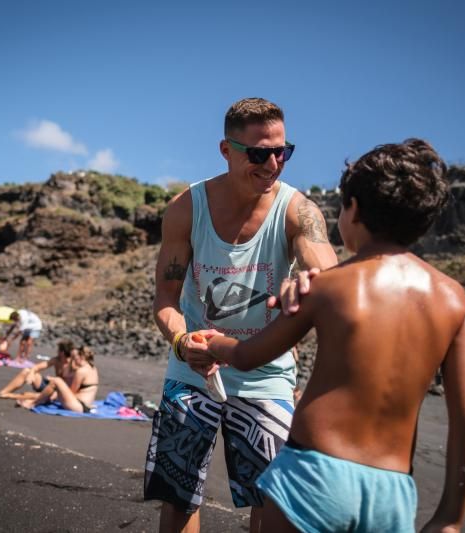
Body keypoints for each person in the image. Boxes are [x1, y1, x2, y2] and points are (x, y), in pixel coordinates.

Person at [188, 139, 465, 532]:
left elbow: (247, 356)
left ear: (354, 209)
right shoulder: (453, 299)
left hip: (313, 474)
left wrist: (211, 342)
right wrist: (450, 518)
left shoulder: (330, 286)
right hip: (391, 489)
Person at [143, 97, 337, 533]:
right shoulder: (186, 208)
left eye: (282, 152)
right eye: (258, 153)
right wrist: (181, 341)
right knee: (178, 496)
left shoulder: (298, 210)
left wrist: (310, 285)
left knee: (271, 502)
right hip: (193, 369)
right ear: (226, 150)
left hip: (266, 374)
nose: (273, 164)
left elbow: (328, 273)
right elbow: (165, 298)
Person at [18, 345, 99, 412]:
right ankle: (38, 400)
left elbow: (72, 392)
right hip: (86, 405)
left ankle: (33, 403)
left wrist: (57, 393)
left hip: (79, 406)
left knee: (56, 381)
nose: (72, 360)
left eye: (74, 358)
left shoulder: (81, 371)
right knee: (56, 384)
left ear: (80, 357)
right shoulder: (93, 368)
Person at [0, 340, 75, 400]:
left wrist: (53, 379)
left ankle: (12, 396)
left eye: (58, 350)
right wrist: (31, 374)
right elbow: (36, 367)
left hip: (60, 392)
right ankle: (4, 392)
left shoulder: (73, 365)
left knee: (38, 395)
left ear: (62, 353)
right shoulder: (56, 360)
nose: (57, 352)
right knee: (26, 371)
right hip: (51, 386)